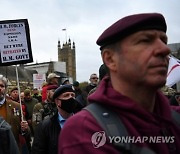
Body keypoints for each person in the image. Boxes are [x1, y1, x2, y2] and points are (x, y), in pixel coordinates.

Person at [58, 13, 180, 153]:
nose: (165, 49)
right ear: (110, 59)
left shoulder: (175, 118)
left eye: (164, 41)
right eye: (146, 41)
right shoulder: (84, 130)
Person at [32, 84, 78, 154]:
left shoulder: (83, 123)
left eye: (72, 95)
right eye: (66, 95)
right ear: (57, 101)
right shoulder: (45, 126)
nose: (70, 98)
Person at [0, 76, 30, 153]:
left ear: (6, 89)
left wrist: (24, 129)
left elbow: (25, 132)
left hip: (12, 149)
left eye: (2, 86)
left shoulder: (16, 106)